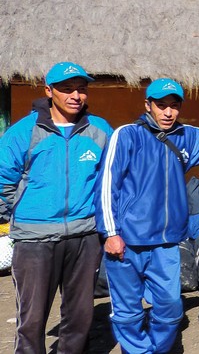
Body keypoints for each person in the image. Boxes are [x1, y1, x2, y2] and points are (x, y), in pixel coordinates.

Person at [0, 62, 112, 354]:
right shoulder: (23, 132)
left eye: (81, 89)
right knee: (32, 319)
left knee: (79, 317)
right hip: (35, 240)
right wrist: (22, 215)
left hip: (85, 237)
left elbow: (111, 177)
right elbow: (3, 181)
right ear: (49, 91)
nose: (76, 95)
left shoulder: (99, 130)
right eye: (66, 89)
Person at [97, 78, 199, 353]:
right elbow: (106, 186)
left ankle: (156, 349)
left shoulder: (188, 136)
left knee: (171, 308)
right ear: (148, 105)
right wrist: (110, 233)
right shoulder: (127, 135)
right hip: (127, 241)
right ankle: (137, 350)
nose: (168, 112)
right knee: (127, 312)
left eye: (174, 106)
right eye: (161, 106)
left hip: (167, 243)